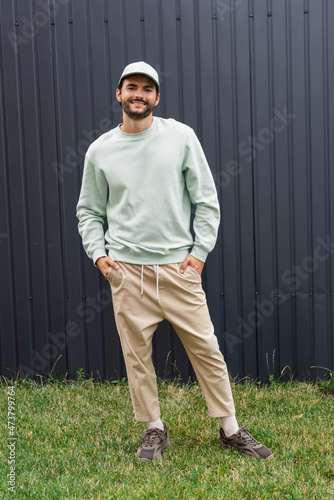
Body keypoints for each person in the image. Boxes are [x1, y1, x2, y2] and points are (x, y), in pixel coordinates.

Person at [76, 61, 273, 461]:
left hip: (178, 271)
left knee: (208, 351)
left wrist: (199, 256)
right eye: (131, 87)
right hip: (126, 273)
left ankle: (230, 429)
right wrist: (99, 256)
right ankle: (153, 427)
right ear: (118, 94)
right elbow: (89, 211)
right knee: (137, 357)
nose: (138, 94)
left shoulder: (181, 137)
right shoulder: (100, 150)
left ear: (157, 97)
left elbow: (206, 201)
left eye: (147, 89)